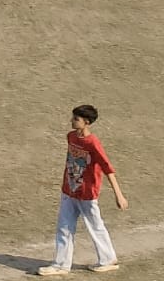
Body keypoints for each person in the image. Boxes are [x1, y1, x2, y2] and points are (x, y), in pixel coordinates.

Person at [36, 104, 125, 276]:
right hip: (69, 190)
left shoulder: (93, 143)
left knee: (95, 226)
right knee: (64, 227)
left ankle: (108, 259)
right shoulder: (70, 137)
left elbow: (108, 168)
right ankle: (61, 264)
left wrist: (119, 195)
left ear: (86, 122)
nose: (72, 121)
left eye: (76, 119)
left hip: (86, 194)